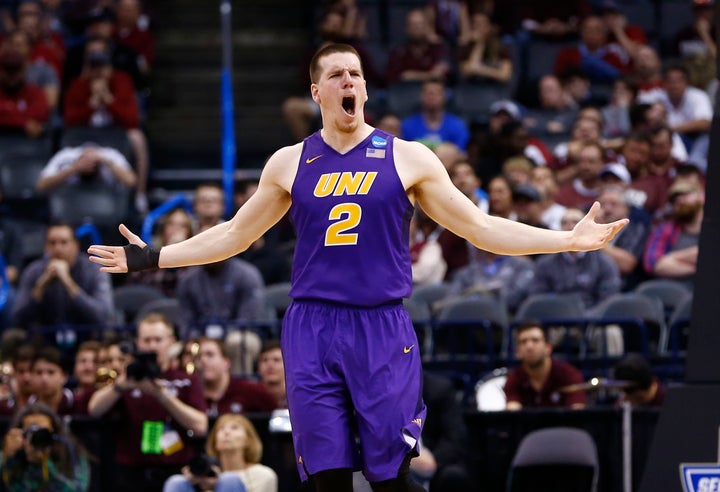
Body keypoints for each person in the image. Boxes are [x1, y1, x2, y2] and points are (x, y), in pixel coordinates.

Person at [86, 43, 627, 492]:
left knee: (389, 474)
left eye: (356, 74)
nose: (348, 81)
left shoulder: (408, 156)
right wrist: (154, 255)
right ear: (317, 92)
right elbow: (232, 235)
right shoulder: (290, 161)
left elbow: (479, 228)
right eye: (336, 74)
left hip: (381, 325)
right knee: (328, 475)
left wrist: (566, 240)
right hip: (313, 326)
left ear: (365, 90)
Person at [87, 312, 208, 492]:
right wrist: (121, 385)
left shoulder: (186, 380)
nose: (152, 346)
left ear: (172, 342)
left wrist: (162, 395)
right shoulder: (127, 380)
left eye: (158, 340)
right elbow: (94, 410)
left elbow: (200, 426)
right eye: (147, 340)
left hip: (176, 470)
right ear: (138, 343)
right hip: (131, 473)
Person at [11, 221, 114, 330]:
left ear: (76, 246)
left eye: (64, 242)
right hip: (45, 339)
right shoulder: (33, 271)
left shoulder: (94, 270)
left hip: (88, 336)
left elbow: (103, 316)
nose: (58, 249)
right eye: (52, 243)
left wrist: (68, 283)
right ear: (46, 247)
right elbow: (17, 318)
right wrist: (41, 286)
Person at [163, 413, 278, 492]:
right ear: (215, 442)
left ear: (248, 440)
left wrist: (215, 485)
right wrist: (196, 483)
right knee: (177, 481)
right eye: (221, 429)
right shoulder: (207, 473)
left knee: (229, 480)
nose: (226, 432)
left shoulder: (263, 474)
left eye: (234, 428)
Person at [0, 402, 90, 492]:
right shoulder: (11, 455)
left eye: (43, 431)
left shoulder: (70, 452)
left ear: (54, 432)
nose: (37, 436)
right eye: (30, 431)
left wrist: (45, 465)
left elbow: (78, 489)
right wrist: (8, 459)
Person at [504, 320, 587, 410]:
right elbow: (513, 415)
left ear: (548, 348)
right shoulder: (513, 379)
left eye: (535, 340)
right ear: (517, 351)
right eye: (523, 342)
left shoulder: (569, 374)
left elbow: (577, 412)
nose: (529, 346)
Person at [195, 337, 278, 419]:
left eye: (210, 355)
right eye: (198, 357)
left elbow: (277, 419)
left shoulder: (250, 390)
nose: (203, 360)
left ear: (226, 362)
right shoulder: (192, 395)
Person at [256, 340, 286, 409]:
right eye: (264, 360)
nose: (270, 366)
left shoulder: (298, 396)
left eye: (276, 360)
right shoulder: (251, 397)